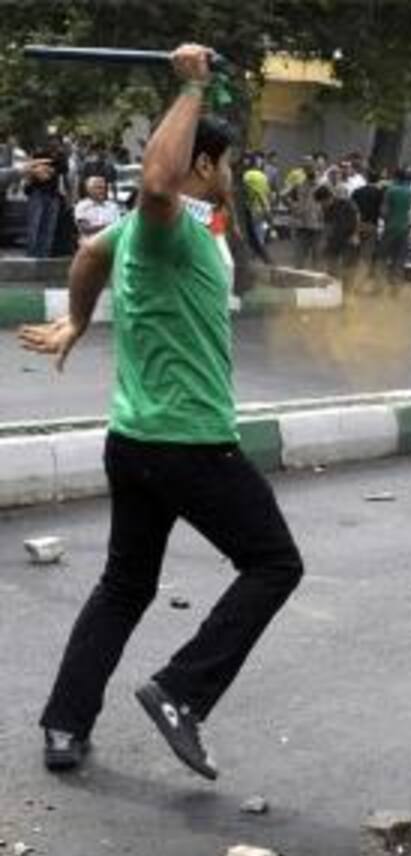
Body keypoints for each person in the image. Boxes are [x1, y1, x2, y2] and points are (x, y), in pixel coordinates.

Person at [17, 44, 304, 779]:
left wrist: (79, 320)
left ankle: (64, 724)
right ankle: (182, 691)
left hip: (135, 442)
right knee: (274, 563)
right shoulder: (165, 221)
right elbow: (153, 182)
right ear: (203, 165)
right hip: (189, 445)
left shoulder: (174, 231)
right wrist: (193, 86)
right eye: (226, 164)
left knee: (125, 585)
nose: (233, 175)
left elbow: (88, 255)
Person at [380, 166, 411, 281]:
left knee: (383, 256)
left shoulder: (390, 191)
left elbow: (384, 211)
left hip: (391, 226)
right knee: (400, 257)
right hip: (404, 227)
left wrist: (386, 219)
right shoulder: (410, 192)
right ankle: (397, 283)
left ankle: (381, 282)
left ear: (395, 178)